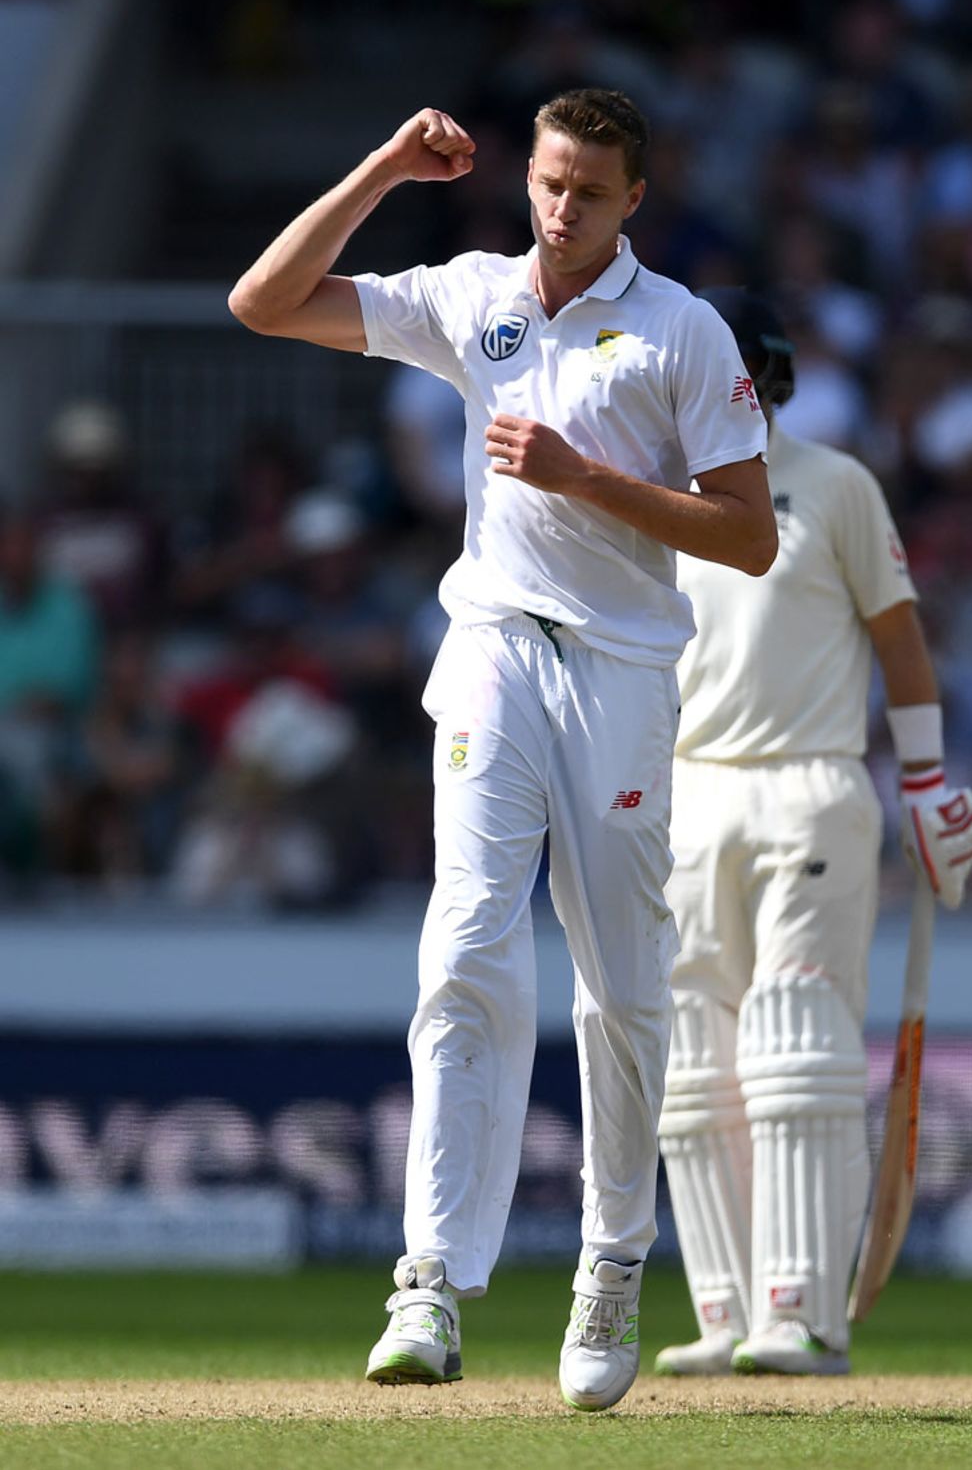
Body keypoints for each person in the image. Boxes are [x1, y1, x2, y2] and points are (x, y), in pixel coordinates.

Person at [228, 90, 776, 1411]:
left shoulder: (682, 331)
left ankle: (610, 1262)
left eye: (591, 190)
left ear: (636, 197)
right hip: (492, 643)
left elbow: (749, 534)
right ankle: (428, 1281)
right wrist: (383, 169)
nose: (564, 209)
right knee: (466, 939)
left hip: (629, 669)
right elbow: (262, 300)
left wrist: (587, 477)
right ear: (524, 177)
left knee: (620, 985)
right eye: (548, 183)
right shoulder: (473, 292)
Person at [655, 288, 972, 1378]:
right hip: (685, 797)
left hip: (809, 784)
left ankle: (799, 1315)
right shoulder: (655, 495)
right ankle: (723, 1312)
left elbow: (899, 639)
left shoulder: (835, 485)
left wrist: (929, 780)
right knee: (694, 1065)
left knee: (794, 1047)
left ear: (759, 377)